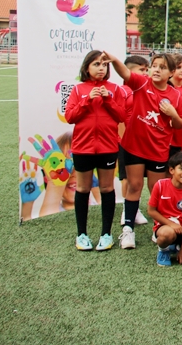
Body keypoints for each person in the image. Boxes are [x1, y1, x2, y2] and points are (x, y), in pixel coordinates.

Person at [106, 51, 182, 249]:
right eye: (154, 65)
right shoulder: (142, 83)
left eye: (162, 67)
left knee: (156, 190)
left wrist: (173, 114)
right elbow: (125, 73)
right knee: (134, 186)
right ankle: (128, 230)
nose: (157, 70)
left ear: (171, 73)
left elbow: (179, 125)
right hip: (133, 147)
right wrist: (114, 59)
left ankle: (158, 227)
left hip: (158, 150)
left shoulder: (176, 95)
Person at [64, 50, 127, 251]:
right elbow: (70, 117)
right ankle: (81, 234)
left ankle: (106, 235)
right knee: (82, 189)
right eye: (96, 64)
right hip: (83, 148)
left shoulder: (115, 89)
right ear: (87, 67)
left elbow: (121, 116)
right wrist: (87, 100)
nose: (101, 68)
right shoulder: (78, 89)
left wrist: (108, 99)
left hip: (108, 147)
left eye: (104, 65)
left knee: (107, 189)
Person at [146, 150, 182, 267]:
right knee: (167, 234)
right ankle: (164, 250)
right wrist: (171, 224)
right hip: (165, 228)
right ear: (172, 170)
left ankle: (177, 247)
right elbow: (151, 211)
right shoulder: (160, 185)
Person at [117, 55, 150, 227]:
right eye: (141, 70)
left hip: (143, 142)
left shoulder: (144, 90)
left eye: (146, 70)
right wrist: (124, 142)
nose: (146, 73)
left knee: (139, 179)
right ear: (128, 72)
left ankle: (135, 208)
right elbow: (120, 119)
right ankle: (128, 210)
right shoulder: (122, 91)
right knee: (127, 178)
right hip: (126, 143)